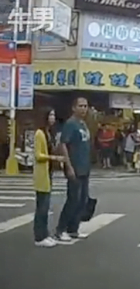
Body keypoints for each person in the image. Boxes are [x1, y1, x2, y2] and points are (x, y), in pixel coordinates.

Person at [53, 97, 92, 242]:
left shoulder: (83, 124)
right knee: (73, 200)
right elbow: (63, 144)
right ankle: (60, 229)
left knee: (82, 200)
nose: (83, 109)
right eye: (80, 106)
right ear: (74, 108)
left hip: (84, 168)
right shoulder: (70, 124)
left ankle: (73, 229)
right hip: (74, 167)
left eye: (85, 106)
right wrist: (68, 166)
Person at [33, 108, 67, 247]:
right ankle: (39, 237)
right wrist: (54, 157)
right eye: (50, 115)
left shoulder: (48, 133)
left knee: (45, 206)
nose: (53, 117)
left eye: (54, 115)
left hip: (48, 172)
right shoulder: (39, 133)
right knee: (42, 206)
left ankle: (44, 234)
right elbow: (38, 155)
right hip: (42, 174)